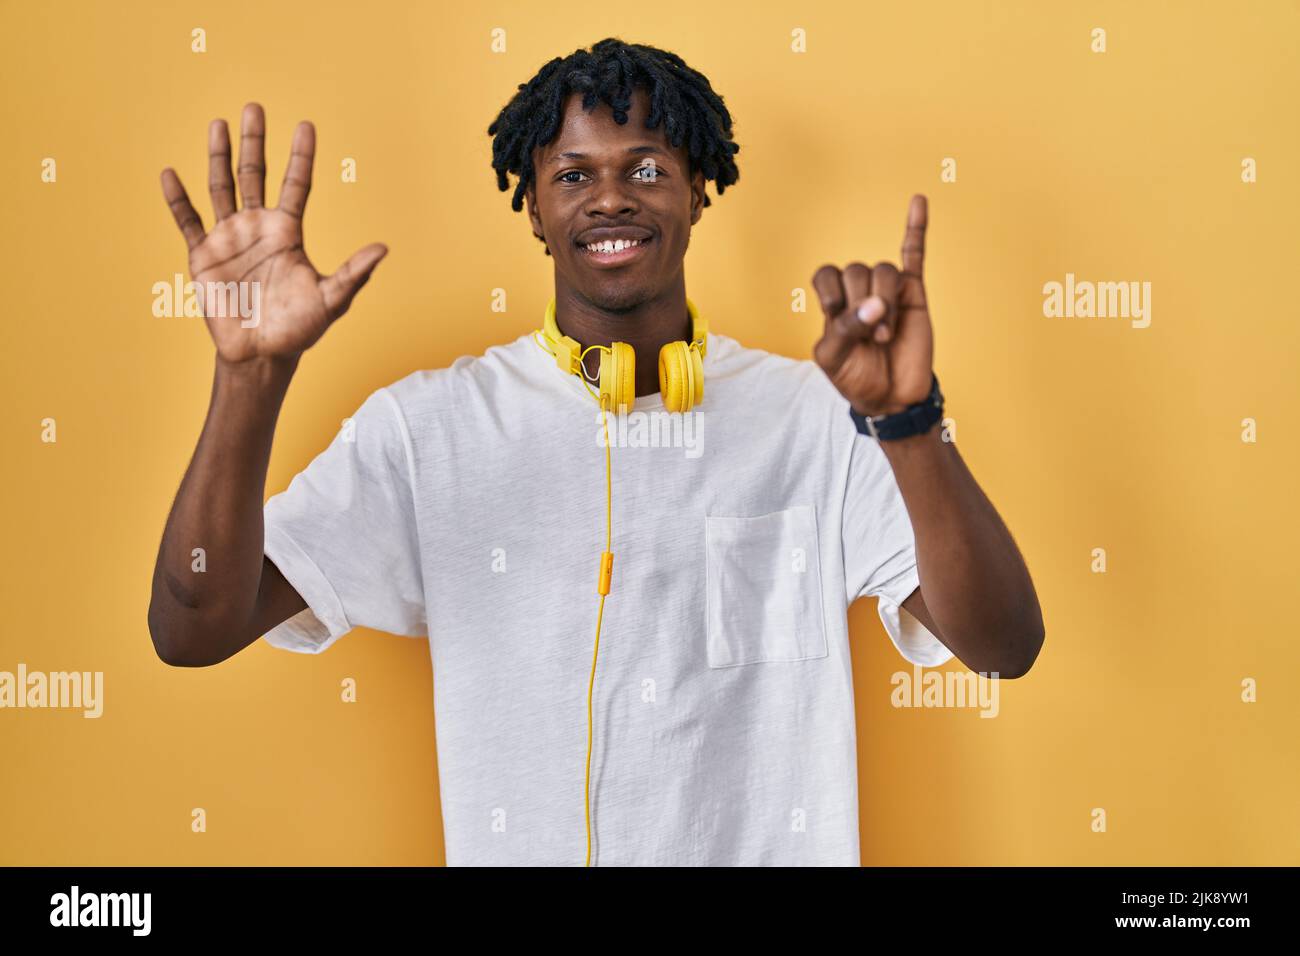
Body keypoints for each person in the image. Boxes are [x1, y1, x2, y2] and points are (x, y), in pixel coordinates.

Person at [148, 37, 1044, 866]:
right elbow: (193, 630)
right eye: (573, 173)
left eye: (647, 167)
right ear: (534, 207)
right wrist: (250, 381)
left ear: (698, 188)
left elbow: (1003, 648)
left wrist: (909, 423)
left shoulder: (820, 418)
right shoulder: (426, 430)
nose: (610, 196)